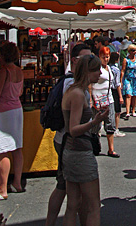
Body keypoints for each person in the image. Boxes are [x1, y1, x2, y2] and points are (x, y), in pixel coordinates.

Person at [46, 42, 92, 226]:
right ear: (74, 61)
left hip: (68, 140)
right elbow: (72, 124)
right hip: (69, 142)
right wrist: (93, 122)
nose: (90, 63)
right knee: (66, 187)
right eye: (86, 59)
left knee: (70, 188)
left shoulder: (76, 82)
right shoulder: (72, 84)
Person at [61, 54, 109, 226]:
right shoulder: (78, 94)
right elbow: (73, 129)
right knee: (93, 205)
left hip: (72, 151)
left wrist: (95, 121)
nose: (99, 74)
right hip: (79, 151)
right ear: (88, 71)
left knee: (73, 205)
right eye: (96, 70)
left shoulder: (75, 91)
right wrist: (94, 122)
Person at [0, 41, 24, 200]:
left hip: (4, 112)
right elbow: (21, 92)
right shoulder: (19, 71)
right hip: (17, 109)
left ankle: (2, 189)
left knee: (2, 149)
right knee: (16, 147)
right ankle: (17, 183)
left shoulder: (4, 71)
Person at [90, 47, 119, 157]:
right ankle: (95, 147)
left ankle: (111, 149)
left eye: (107, 57)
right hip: (97, 99)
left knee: (110, 123)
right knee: (95, 125)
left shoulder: (109, 68)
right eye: (103, 57)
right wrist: (91, 99)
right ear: (99, 57)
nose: (106, 59)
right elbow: (90, 83)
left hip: (108, 99)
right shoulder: (96, 68)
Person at [120, 44, 136, 119]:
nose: (135, 52)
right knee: (128, 95)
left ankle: (133, 111)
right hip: (128, 79)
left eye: (135, 50)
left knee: (135, 94)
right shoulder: (126, 60)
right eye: (133, 50)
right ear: (129, 51)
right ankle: (128, 111)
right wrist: (121, 81)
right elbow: (123, 70)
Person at [109, 52, 125, 136]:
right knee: (117, 111)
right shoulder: (116, 69)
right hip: (115, 90)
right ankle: (116, 128)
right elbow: (117, 84)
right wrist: (120, 96)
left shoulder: (108, 68)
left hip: (108, 89)